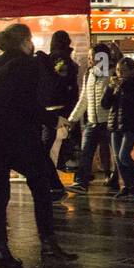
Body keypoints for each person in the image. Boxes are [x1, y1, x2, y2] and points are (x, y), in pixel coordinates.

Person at [0, 24, 78, 268]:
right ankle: (49, 243)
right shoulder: (29, 64)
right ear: (25, 41)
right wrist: (53, 119)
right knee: (40, 187)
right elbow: (29, 102)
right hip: (20, 138)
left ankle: (0, 249)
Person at [36, 30, 79, 197]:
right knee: (47, 146)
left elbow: (57, 81)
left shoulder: (57, 58)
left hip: (55, 108)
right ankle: (52, 181)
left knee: (45, 147)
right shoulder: (66, 58)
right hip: (63, 107)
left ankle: (52, 183)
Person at [67, 44, 114, 191]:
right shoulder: (90, 74)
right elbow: (84, 99)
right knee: (86, 151)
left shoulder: (112, 73)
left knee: (108, 152)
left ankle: (112, 177)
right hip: (92, 121)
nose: (89, 59)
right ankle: (82, 182)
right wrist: (73, 118)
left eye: (91, 56)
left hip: (108, 121)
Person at [102, 56, 134, 199]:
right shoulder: (114, 85)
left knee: (124, 155)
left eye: (123, 70)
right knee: (117, 157)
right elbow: (105, 104)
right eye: (117, 70)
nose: (120, 73)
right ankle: (129, 186)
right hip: (115, 124)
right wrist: (110, 89)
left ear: (132, 71)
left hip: (130, 125)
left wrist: (122, 87)